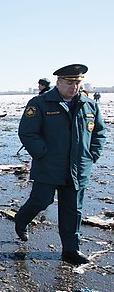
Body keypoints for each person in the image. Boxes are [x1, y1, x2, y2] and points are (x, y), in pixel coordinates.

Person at [15, 64, 106, 265]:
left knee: (73, 209)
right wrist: (43, 155)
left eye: (77, 83)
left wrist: (92, 155)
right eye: (69, 83)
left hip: (78, 169)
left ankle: (71, 250)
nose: (74, 87)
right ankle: (21, 220)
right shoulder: (40, 103)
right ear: (58, 83)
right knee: (41, 201)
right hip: (48, 167)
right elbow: (28, 133)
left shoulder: (89, 105)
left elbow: (99, 132)